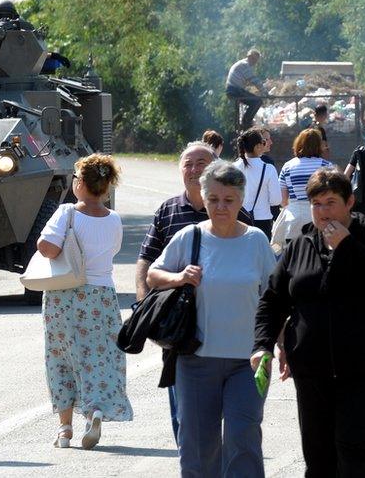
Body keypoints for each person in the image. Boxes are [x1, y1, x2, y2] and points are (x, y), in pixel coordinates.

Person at [252, 168, 365, 477]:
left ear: (350, 202)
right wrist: (263, 344)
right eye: (316, 204)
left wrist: (348, 246)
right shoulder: (301, 243)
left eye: (330, 202)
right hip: (311, 369)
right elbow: (273, 298)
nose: (322, 212)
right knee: (319, 459)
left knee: (355, 457)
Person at [147, 161, 275, 477]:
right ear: (204, 198)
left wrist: (274, 345)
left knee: (242, 437)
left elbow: (274, 298)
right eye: (214, 199)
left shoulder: (256, 240)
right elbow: (153, 274)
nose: (221, 207)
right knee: (199, 446)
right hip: (196, 360)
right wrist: (179, 277)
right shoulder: (189, 237)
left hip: (248, 362)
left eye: (229, 200)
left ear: (240, 200)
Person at [135, 141, 252, 443]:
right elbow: (147, 260)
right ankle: (190, 454)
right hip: (180, 324)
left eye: (201, 162)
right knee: (184, 408)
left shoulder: (242, 217)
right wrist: (143, 303)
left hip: (227, 329)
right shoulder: (168, 210)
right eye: (188, 163)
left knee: (225, 409)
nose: (193, 169)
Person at [36, 154, 131, 450]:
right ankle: (95, 411)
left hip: (65, 295)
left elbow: (47, 249)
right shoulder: (114, 219)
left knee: (62, 357)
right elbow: (111, 251)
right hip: (102, 296)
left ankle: (65, 429)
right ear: (105, 187)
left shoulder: (67, 213)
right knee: (98, 357)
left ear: (79, 184)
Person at [272, 129, 332, 249]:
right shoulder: (326, 166)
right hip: (320, 219)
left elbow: (283, 200)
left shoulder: (287, 167)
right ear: (319, 145)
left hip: (293, 220)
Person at [235, 129, 282, 239]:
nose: (266, 144)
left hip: (239, 218)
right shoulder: (268, 169)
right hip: (262, 221)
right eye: (263, 142)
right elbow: (276, 200)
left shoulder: (233, 167)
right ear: (257, 147)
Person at [227, 49, 269, 129]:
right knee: (257, 101)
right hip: (235, 90)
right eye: (254, 60)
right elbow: (254, 80)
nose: (255, 63)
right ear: (249, 57)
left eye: (256, 60)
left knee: (254, 100)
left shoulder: (242, 64)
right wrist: (265, 93)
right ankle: (246, 123)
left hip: (233, 89)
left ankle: (245, 122)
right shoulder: (245, 65)